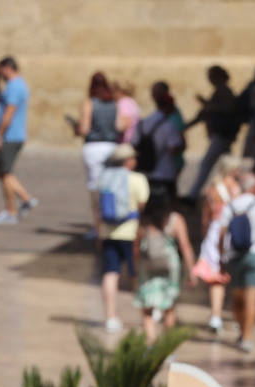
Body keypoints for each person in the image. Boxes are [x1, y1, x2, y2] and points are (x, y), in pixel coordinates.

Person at [214, 170, 255, 354]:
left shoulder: (231, 206)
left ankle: (242, 331)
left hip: (234, 257)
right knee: (252, 299)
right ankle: (247, 338)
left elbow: (221, 235)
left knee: (237, 296)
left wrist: (221, 257)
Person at [96, 143, 151, 331]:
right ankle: (147, 312)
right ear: (128, 161)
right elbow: (143, 205)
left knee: (110, 273)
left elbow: (98, 208)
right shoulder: (137, 179)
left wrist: (99, 232)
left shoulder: (104, 178)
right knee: (137, 273)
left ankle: (110, 317)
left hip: (108, 232)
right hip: (131, 232)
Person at [192, 160, 245, 337]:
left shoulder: (213, 189)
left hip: (215, 232)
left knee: (217, 278)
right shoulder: (238, 188)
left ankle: (215, 317)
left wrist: (205, 236)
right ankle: (238, 318)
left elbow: (206, 217)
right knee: (237, 277)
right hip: (234, 232)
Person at [76, 72, 129, 239]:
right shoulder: (114, 103)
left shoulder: (89, 103)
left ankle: (98, 226)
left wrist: (77, 129)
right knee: (112, 185)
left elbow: (84, 129)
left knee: (95, 188)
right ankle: (112, 221)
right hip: (111, 147)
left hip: (93, 147)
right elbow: (120, 126)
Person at [136, 190, 193, 342]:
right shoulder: (175, 219)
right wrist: (191, 270)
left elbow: (137, 245)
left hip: (148, 265)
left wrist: (134, 268)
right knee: (169, 308)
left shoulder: (145, 220)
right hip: (170, 265)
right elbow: (185, 246)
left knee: (147, 309)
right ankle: (166, 346)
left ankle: (151, 343)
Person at [0, 56, 37, 226]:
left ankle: (13, 209)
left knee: (4, 172)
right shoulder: (12, 86)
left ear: (8, 68)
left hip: (11, 136)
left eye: (0, 70)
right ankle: (25, 199)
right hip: (12, 136)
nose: (0, 74)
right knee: (0, 171)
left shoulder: (15, 87)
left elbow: (9, 112)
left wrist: (0, 135)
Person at [184, 65, 241, 201]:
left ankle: (193, 195)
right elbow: (204, 114)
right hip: (221, 135)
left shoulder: (224, 92)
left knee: (208, 163)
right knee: (229, 164)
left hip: (222, 135)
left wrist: (209, 106)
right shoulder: (219, 92)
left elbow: (227, 109)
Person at [134, 81, 187, 201]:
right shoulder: (169, 126)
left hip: (146, 172)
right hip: (165, 173)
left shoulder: (143, 123)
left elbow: (135, 144)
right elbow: (174, 148)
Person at [114, 79, 141, 144]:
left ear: (120, 91)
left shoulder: (123, 103)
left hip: (125, 142)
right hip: (134, 140)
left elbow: (125, 124)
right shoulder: (132, 102)